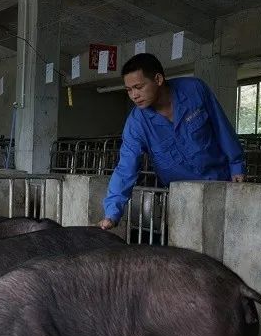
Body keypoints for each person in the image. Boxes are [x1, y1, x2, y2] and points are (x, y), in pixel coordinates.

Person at [99, 53, 245, 230]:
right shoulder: (137, 123)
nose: (134, 95)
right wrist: (112, 213)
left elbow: (221, 125)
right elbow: (125, 168)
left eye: (138, 87)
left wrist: (236, 164)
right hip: (182, 199)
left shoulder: (195, 90)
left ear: (158, 79)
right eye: (129, 90)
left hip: (221, 184)